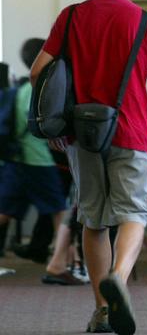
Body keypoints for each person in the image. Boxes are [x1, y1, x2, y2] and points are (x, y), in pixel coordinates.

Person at [31, 0, 147, 334]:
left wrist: (56, 123)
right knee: (134, 214)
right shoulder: (144, 23)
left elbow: (39, 71)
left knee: (93, 221)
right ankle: (119, 277)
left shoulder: (70, 18)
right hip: (132, 134)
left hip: (83, 137)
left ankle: (102, 312)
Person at [0, 39, 68, 267]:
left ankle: (62, 263)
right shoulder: (41, 88)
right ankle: (61, 264)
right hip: (39, 161)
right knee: (60, 211)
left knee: (5, 211)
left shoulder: (19, 90)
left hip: (16, 159)